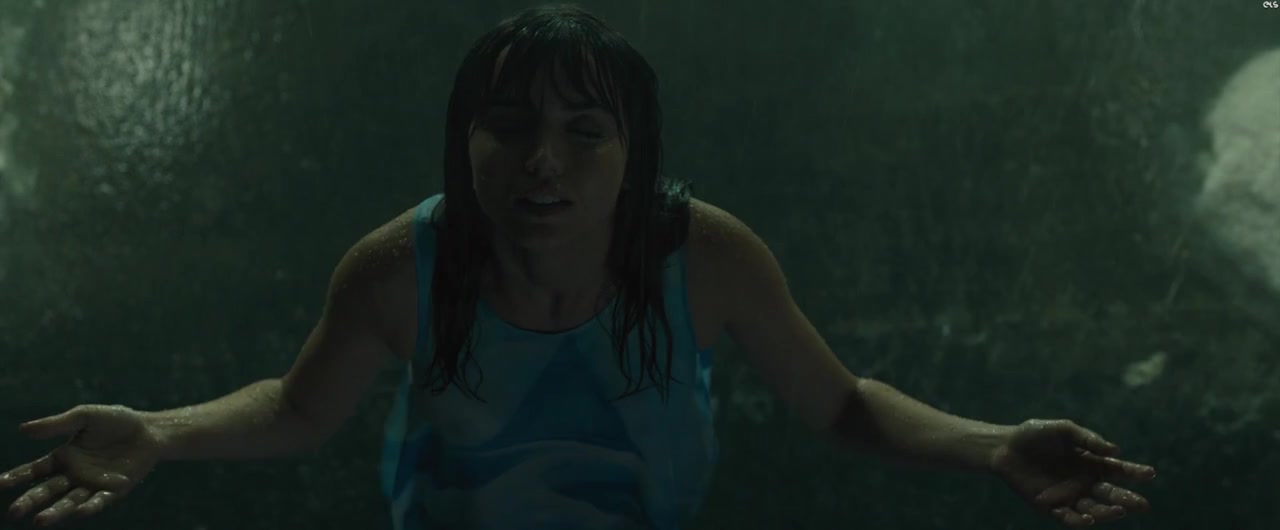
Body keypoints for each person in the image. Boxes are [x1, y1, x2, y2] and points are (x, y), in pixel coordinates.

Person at [0, 4, 1157, 529]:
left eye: (584, 133)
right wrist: (161, 430)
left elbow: (842, 404)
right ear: (465, 140)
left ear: (631, 153)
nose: (541, 160)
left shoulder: (703, 254)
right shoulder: (398, 269)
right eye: (508, 125)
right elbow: (300, 408)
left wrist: (989, 444)